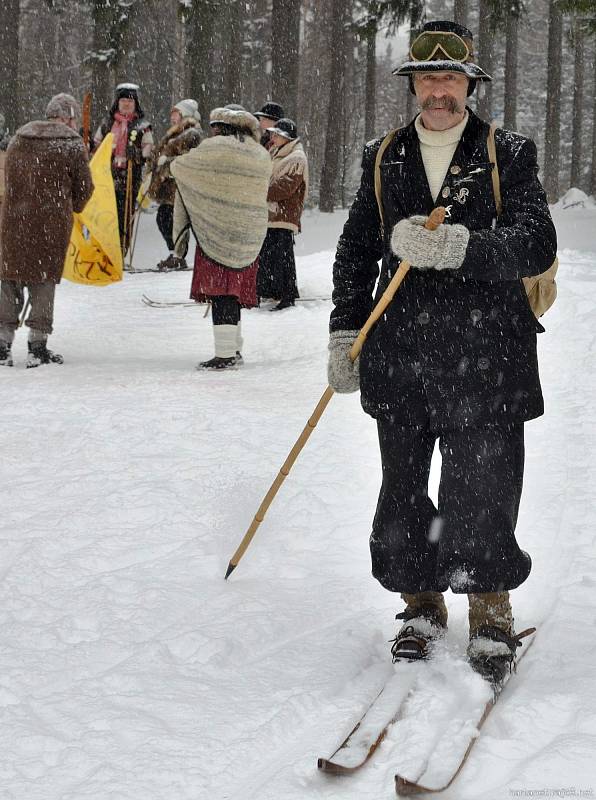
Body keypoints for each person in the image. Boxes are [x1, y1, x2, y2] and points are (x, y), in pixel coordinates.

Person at [326, 20, 557, 686]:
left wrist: (461, 247)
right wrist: (345, 331)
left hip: (487, 351)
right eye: (428, 78)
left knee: (480, 487)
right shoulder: (383, 154)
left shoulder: (505, 152)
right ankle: (420, 605)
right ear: (412, 84)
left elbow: (534, 241)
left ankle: (489, 612)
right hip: (399, 353)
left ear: (469, 83)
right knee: (403, 490)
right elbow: (354, 252)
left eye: (451, 78)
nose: (439, 91)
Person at [170, 105, 272, 370]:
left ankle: (225, 354)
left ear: (221, 127)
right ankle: (234, 348)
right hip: (249, 232)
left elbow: (179, 168)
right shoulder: (260, 155)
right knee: (234, 292)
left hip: (216, 232)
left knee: (222, 292)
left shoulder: (212, 150)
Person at [0, 93, 93, 368]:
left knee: (8, 278)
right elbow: (84, 188)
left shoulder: (18, 140)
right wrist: (71, 205)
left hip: (14, 221)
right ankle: (37, 345)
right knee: (43, 279)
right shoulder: (70, 145)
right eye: (73, 119)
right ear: (66, 118)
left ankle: (2, 344)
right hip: (50, 224)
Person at [93, 83, 154, 253]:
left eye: (130, 101)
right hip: (108, 175)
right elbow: (97, 144)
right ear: (117, 103)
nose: (126, 104)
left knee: (125, 213)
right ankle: (105, 247)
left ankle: (121, 248)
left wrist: (137, 154)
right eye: (123, 100)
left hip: (130, 175)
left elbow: (148, 148)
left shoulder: (142, 125)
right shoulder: (108, 123)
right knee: (107, 212)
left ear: (135, 104)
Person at [257, 118, 308, 311]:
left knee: (283, 257)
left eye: (276, 134)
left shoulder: (296, 158)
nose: (272, 137)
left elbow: (284, 188)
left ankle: (287, 294)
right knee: (270, 255)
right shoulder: (276, 153)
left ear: (286, 137)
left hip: (284, 215)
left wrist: (259, 189)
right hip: (272, 215)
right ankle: (273, 290)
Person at [147, 98, 203, 271]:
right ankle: (176, 253)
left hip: (180, 187)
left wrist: (168, 163)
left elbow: (190, 160)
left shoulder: (191, 134)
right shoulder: (175, 133)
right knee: (165, 218)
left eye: (176, 113)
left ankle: (180, 255)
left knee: (173, 220)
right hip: (169, 188)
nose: (172, 117)